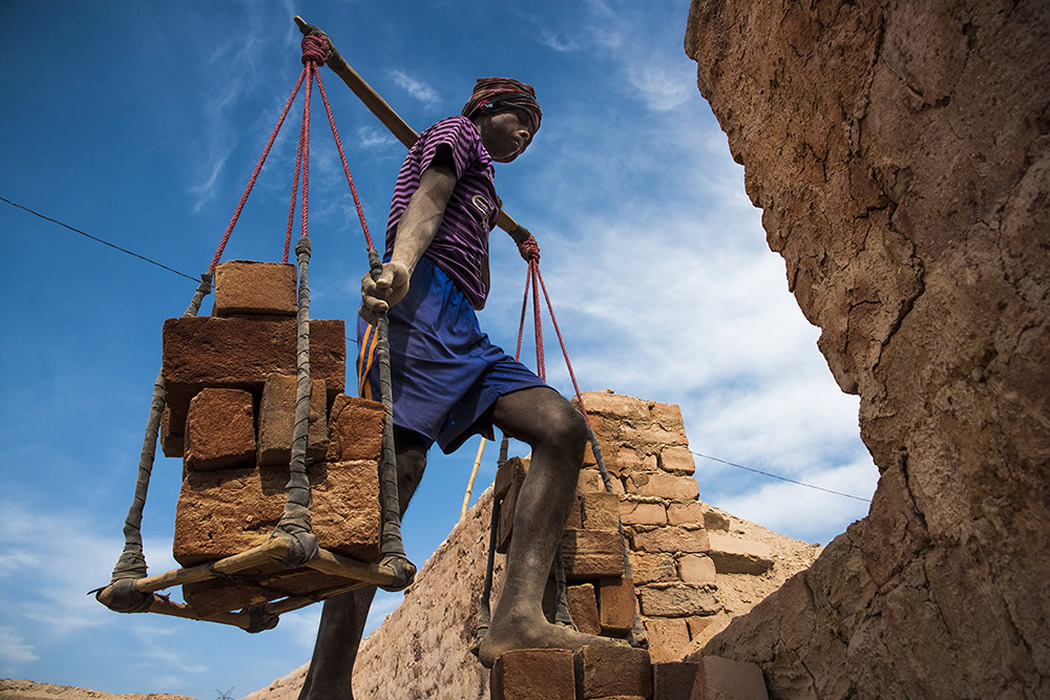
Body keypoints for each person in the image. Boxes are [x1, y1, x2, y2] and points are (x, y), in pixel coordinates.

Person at [298, 77, 617, 699]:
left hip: (464, 330)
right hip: (418, 307)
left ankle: (517, 618)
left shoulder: (487, 186)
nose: (527, 135)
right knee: (396, 476)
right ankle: (327, 681)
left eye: (535, 129)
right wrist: (400, 267)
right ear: (487, 110)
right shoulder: (457, 132)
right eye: (522, 120)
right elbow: (430, 196)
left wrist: (512, 234)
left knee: (560, 426)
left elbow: (469, 213)